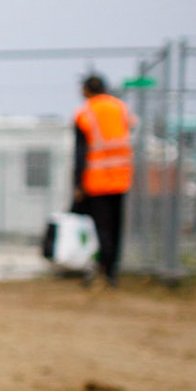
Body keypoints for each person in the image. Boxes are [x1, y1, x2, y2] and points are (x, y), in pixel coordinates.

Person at [74, 73, 134, 287]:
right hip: (121, 178)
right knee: (117, 226)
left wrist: (78, 183)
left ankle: (101, 269)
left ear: (87, 90)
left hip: (97, 180)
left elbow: (80, 153)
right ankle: (112, 272)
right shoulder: (120, 108)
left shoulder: (85, 113)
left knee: (101, 228)